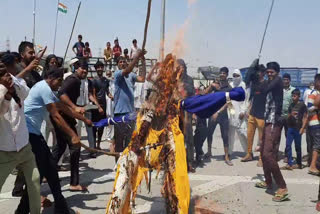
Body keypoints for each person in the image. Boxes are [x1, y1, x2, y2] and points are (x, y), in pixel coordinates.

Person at [17, 68, 88, 214]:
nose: (60, 85)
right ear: (50, 78)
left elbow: (62, 107)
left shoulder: (47, 89)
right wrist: (72, 135)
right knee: (38, 176)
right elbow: (56, 115)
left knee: (51, 170)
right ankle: (22, 211)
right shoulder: (44, 88)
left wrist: (84, 118)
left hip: (35, 134)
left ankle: (61, 208)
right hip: (30, 135)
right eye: (59, 81)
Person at [0, 61, 41, 214]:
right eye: (2, 74)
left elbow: (26, 92)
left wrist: (11, 83)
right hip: (5, 152)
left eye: (7, 72)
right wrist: (4, 89)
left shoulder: (16, 84)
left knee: (35, 181)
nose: (7, 76)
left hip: (24, 147)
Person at [51, 59, 93, 191]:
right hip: (63, 116)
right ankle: (74, 183)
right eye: (82, 68)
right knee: (75, 147)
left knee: (60, 147)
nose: (84, 70)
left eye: (86, 68)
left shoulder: (75, 80)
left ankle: (45, 173)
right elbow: (61, 94)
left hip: (63, 115)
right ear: (76, 68)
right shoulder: (73, 79)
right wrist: (74, 107)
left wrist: (78, 107)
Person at [255, 61, 288, 202]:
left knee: (268, 154)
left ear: (277, 72)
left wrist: (257, 78)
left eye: (271, 72)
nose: (269, 74)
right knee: (263, 153)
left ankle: (282, 186)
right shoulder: (270, 82)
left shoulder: (277, 81)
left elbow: (264, 89)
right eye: (267, 72)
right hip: (268, 121)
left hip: (275, 122)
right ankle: (268, 181)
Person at [113, 49, 146, 158]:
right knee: (119, 142)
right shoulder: (118, 74)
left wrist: (143, 61)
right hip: (119, 113)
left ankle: (126, 164)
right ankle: (118, 165)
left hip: (130, 113)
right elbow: (126, 71)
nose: (122, 63)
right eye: (120, 62)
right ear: (118, 65)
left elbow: (142, 78)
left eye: (124, 61)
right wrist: (137, 57)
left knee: (129, 141)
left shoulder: (131, 75)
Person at [206, 67, 233, 166]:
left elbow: (228, 102)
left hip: (223, 115)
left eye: (224, 73)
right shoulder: (215, 85)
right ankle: (209, 152)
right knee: (209, 133)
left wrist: (218, 112)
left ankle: (226, 156)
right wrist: (211, 86)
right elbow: (205, 93)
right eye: (221, 73)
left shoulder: (229, 88)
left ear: (227, 75)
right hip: (213, 114)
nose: (222, 74)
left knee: (225, 136)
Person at [242, 65, 267, 164]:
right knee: (249, 135)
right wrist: (249, 109)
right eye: (257, 72)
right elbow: (252, 98)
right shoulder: (254, 83)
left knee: (261, 138)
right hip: (252, 113)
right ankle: (249, 154)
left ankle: (261, 158)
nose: (258, 73)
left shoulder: (266, 84)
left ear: (263, 73)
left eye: (260, 72)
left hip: (262, 115)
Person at [281, 89, 307, 170]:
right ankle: (289, 164)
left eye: (295, 96)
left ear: (299, 96)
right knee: (288, 145)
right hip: (290, 128)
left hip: (298, 128)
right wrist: (290, 115)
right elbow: (288, 116)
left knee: (298, 147)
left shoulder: (302, 105)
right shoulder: (291, 105)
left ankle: (299, 164)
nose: (293, 97)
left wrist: (303, 128)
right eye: (292, 96)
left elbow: (305, 117)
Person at [177, 59, 196, 172]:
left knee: (189, 138)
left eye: (182, 66)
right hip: (175, 113)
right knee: (177, 138)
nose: (180, 69)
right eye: (178, 67)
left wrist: (193, 114)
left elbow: (193, 96)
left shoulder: (189, 80)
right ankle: (178, 161)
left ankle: (190, 162)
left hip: (187, 113)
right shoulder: (174, 79)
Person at [92, 61, 113, 149]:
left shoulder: (105, 80)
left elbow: (107, 91)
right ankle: (93, 146)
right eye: (98, 67)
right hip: (96, 106)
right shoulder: (94, 80)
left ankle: (98, 145)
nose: (100, 69)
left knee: (101, 127)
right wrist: (98, 106)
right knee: (94, 127)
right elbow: (93, 94)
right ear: (96, 69)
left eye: (101, 67)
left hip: (104, 106)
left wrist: (111, 96)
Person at [228, 69, 248, 157]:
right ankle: (229, 152)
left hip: (241, 112)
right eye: (234, 75)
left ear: (240, 76)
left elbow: (246, 99)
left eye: (237, 75)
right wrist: (231, 111)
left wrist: (243, 111)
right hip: (231, 112)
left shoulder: (244, 85)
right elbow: (228, 99)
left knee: (242, 133)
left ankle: (248, 152)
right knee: (230, 133)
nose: (236, 77)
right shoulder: (230, 85)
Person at [307, 74, 320, 176]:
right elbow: (309, 108)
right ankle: (312, 166)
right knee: (317, 144)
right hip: (315, 122)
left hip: (317, 122)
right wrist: (316, 106)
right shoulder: (314, 93)